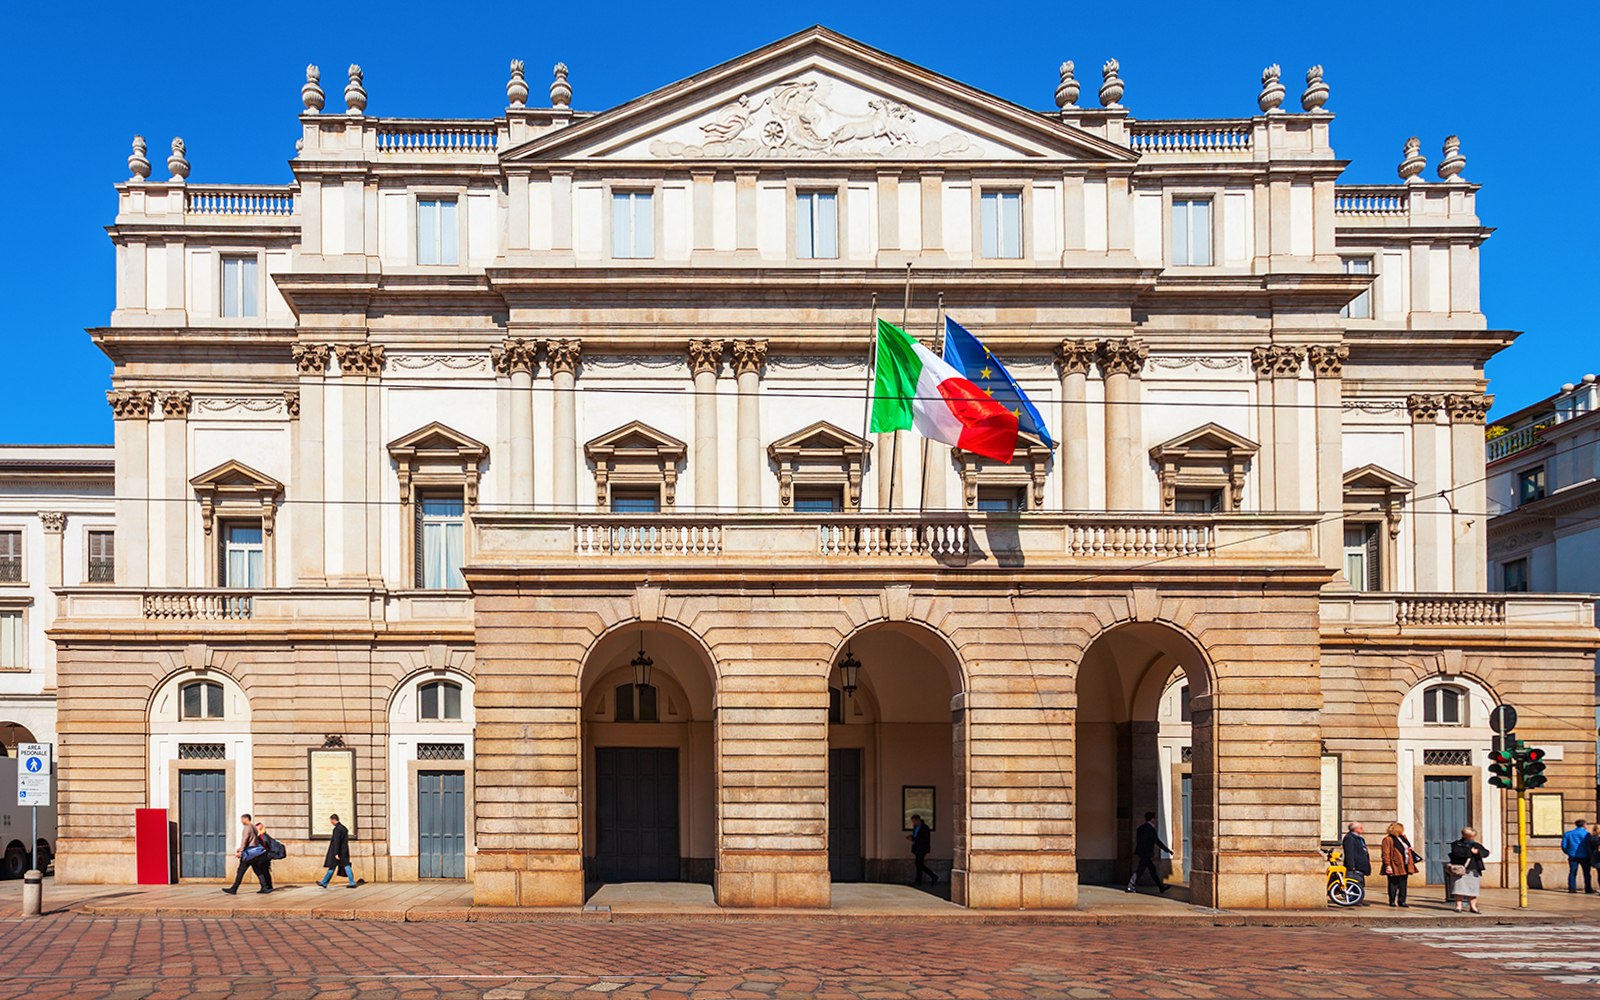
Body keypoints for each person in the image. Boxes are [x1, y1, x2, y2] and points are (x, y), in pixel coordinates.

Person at [1126, 811, 1172, 894]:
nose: (1155, 820)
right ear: (1152, 819)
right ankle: (1130, 886)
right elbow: (1157, 841)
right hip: (1146, 853)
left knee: (1152, 870)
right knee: (1140, 871)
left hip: (1142, 852)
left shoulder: (1140, 828)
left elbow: (1138, 841)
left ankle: (1161, 887)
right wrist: (1167, 850)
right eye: (1154, 818)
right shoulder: (1151, 830)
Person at [1447, 826, 1490, 913]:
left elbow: (1486, 853)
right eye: (1470, 836)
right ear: (1464, 835)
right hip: (1461, 870)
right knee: (1459, 889)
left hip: (1474, 869)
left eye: (1473, 836)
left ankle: (1473, 907)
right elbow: (1457, 853)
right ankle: (1459, 906)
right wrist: (1470, 852)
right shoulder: (1457, 844)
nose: (1472, 838)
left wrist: (1478, 852)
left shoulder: (1476, 845)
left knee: (1473, 890)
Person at [222, 813, 263, 895]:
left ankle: (234, 889)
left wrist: (240, 852)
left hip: (248, 853)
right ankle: (265, 887)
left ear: (246, 819)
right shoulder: (253, 827)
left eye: (242, 819)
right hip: (254, 852)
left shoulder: (247, 828)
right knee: (258, 870)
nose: (241, 821)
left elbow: (245, 840)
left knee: (240, 871)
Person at [1380, 822, 1418, 907]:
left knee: (1403, 884)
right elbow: (1385, 853)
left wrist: (1410, 849)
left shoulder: (1403, 838)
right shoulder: (1388, 839)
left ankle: (1402, 901)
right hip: (1395, 864)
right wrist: (1388, 865)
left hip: (1405, 864)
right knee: (1393, 884)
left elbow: (1406, 847)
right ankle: (1392, 900)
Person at [317, 813, 356, 889]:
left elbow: (336, 842)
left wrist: (336, 853)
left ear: (333, 820)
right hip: (344, 850)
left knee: (332, 867)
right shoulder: (344, 828)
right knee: (346, 866)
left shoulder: (337, 829)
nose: (331, 822)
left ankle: (324, 882)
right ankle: (352, 883)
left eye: (331, 820)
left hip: (338, 851)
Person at [1341, 822, 1371, 903]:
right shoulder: (1350, 838)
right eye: (1360, 828)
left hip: (1360, 865)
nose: (1362, 829)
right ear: (1355, 829)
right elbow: (1349, 852)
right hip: (1355, 865)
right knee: (1354, 883)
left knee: (1360, 882)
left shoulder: (1359, 838)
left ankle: (1357, 899)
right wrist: (1351, 865)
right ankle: (1353, 899)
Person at [1563, 819, 1594, 894]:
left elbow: (1564, 845)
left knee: (1573, 872)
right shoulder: (1587, 834)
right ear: (1584, 825)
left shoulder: (1568, 834)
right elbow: (1589, 846)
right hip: (1585, 856)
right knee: (1586, 873)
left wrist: (1568, 852)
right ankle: (1588, 888)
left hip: (1573, 855)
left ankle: (1572, 888)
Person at [906, 814, 936, 885]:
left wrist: (913, 839)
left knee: (919, 863)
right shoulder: (915, 827)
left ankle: (920, 880)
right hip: (917, 847)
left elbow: (924, 839)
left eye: (914, 821)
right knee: (919, 864)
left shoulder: (925, 828)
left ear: (918, 820)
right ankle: (932, 876)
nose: (914, 823)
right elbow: (916, 836)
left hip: (922, 848)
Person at [252, 821, 276, 894]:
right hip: (266, 856)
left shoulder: (262, 836)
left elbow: (265, 845)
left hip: (264, 856)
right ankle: (269, 886)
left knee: (264, 871)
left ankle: (267, 887)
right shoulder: (265, 835)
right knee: (266, 871)